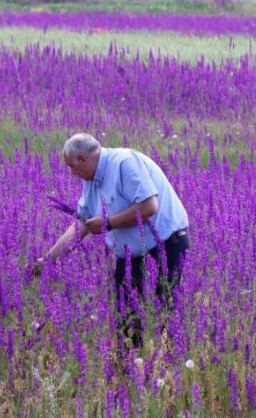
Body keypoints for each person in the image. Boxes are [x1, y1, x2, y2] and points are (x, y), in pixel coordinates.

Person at [38, 133, 190, 348]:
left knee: (165, 309)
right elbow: (82, 225)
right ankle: (128, 369)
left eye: (71, 166)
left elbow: (148, 207)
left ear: (83, 159)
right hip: (131, 254)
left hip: (166, 244)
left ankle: (175, 365)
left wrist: (108, 223)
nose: (71, 173)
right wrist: (48, 260)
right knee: (126, 315)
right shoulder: (90, 181)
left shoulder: (124, 163)